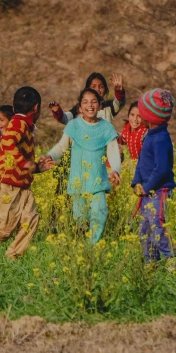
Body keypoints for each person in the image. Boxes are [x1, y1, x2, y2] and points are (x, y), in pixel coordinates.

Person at [0, 87, 51, 259]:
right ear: (36, 108)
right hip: (8, 185)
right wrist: (25, 162)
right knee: (4, 230)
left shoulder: (25, 126)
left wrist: (37, 168)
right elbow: (8, 143)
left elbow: (20, 157)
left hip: (23, 186)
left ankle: (13, 257)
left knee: (31, 219)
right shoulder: (19, 123)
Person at [42, 88, 122, 243]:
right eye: (85, 102)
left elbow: (112, 151)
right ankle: (82, 246)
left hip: (98, 182)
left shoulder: (106, 128)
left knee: (100, 213)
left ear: (100, 105)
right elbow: (61, 147)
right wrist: (49, 156)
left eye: (94, 102)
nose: (90, 105)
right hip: (78, 182)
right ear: (79, 107)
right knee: (80, 218)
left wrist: (116, 170)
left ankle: (92, 245)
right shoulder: (74, 126)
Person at [131, 89, 176, 264]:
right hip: (148, 191)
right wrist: (136, 182)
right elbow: (142, 162)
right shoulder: (150, 136)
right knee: (145, 231)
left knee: (159, 228)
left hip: (159, 192)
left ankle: (172, 263)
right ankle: (151, 265)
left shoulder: (161, 139)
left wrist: (147, 187)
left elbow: (162, 169)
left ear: (149, 116)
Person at [49, 73, 126, 124]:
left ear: (105, 90)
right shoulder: (79, 107)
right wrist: (57, 111)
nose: (97, 90)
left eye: (101, 87)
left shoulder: (109, 106)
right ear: (87, 89)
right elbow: (65, 118)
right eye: (93, 87)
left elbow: (119, 102)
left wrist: (119, 92)